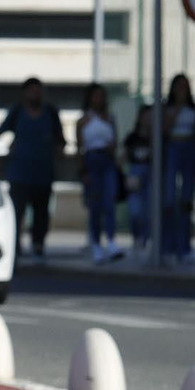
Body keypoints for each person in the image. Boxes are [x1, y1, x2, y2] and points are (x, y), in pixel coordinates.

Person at [0, 77, 64, 262]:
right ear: (24, 93)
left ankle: (38, 246)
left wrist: (56, 154)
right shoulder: (17, 112)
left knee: (41, 213)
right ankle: (15, 248)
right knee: (17, 213)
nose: (36, 94)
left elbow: (61, 140)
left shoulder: (50, 113)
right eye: (32, 90)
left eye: (38, 90)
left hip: (43, 174)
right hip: (19, 173)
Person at [78, 85, 124, 264]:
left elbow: (115, 142)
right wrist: (83, 171)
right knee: (95, 206)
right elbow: (80, 148)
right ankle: (96, 244)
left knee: (109, 203)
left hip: (107, 162)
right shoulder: (83, 120)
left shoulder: (109, 118)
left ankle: (111, 241)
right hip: (91, 161)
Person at [163, 73, 195, 262]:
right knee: (170, 199)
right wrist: (177, 108)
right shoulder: (169, 109)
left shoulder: (194, 110)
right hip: (173, 148)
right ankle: (169, 243)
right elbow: (165, 129)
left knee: (186, 200)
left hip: (189, 149)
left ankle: (184, 245)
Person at [123, 105, 155, 250]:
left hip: (151, 176)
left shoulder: (156, 138)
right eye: (146, 116)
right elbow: (123, 156)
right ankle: (136, 236)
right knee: (135, 209)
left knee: (148, 209)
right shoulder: (132, 138)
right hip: (135, 175)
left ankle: (145, 238)